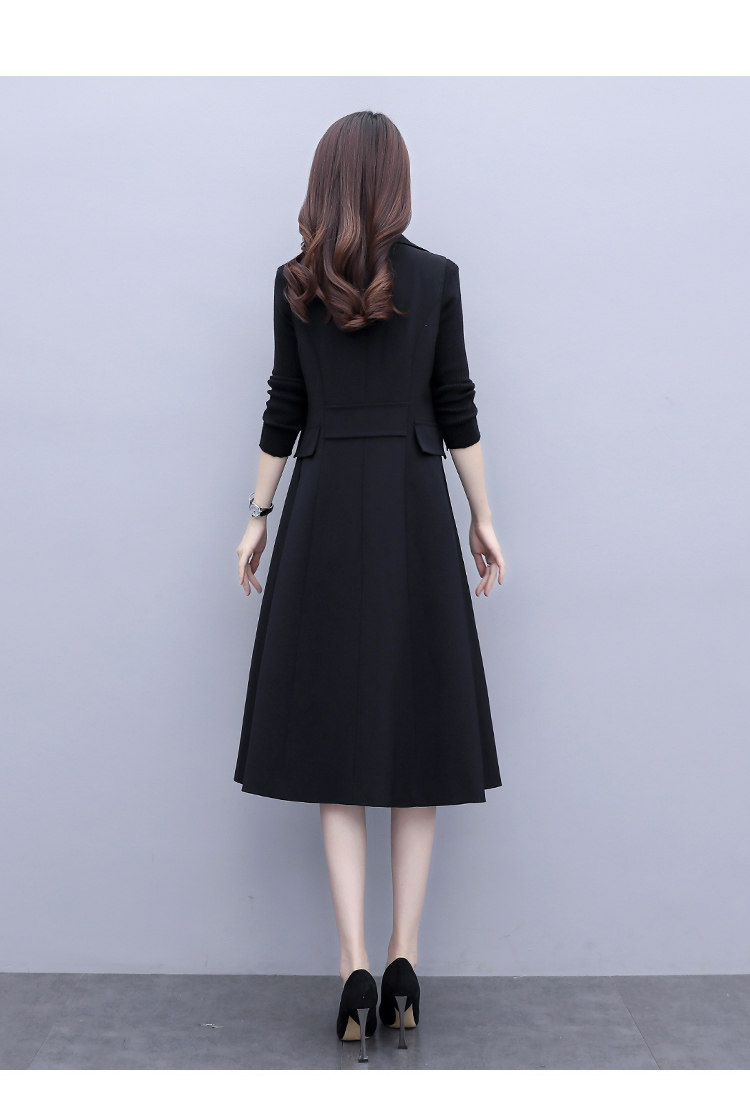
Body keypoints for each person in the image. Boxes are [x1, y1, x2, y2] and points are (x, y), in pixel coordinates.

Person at [234, 110, 506, 1058]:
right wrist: (482, 515)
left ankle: (351, 963)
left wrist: (258, 514)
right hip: (411, 504)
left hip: (322, 508)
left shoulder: (295, 281)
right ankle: (403, 962)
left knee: (338, 747)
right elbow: (455, 403)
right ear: (395, 180)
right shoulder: (436, 277)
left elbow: (286, 402)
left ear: (325, 180)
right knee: (415, 740)